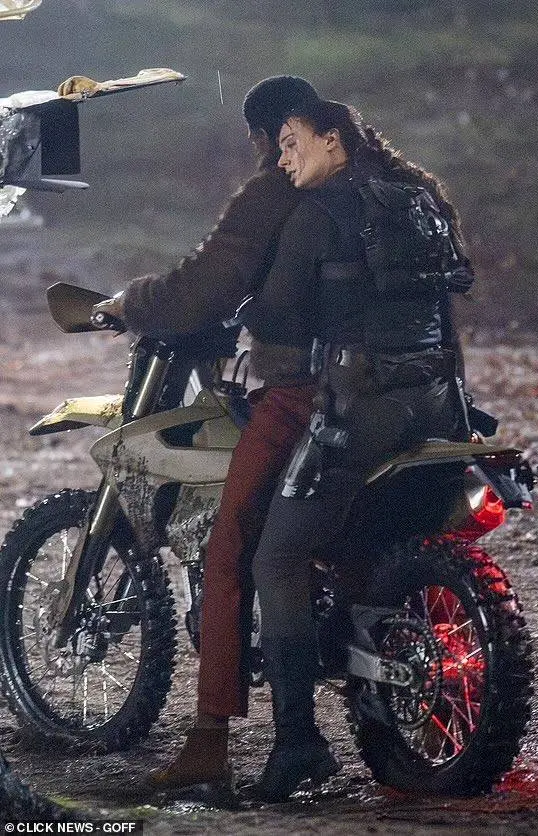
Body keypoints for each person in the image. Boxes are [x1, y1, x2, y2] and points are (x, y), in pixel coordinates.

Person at [94, 77, 329, 798]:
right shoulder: (391, 187)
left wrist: (133, 301)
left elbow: (207, 281)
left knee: (232, 551)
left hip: (311, 394)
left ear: (267, 135)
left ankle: (210, 745)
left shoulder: (280, 188)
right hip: (428, 391)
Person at [243, 98, 473, 802]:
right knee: (375, 539)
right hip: (439, 401)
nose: (283, 159)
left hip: (363, 406)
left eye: (292, 143)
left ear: (334, 141)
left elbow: (277, 314)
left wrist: (245, 308)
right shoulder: (421, 198)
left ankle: (297, 743)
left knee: (277, 557)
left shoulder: (318, 214)